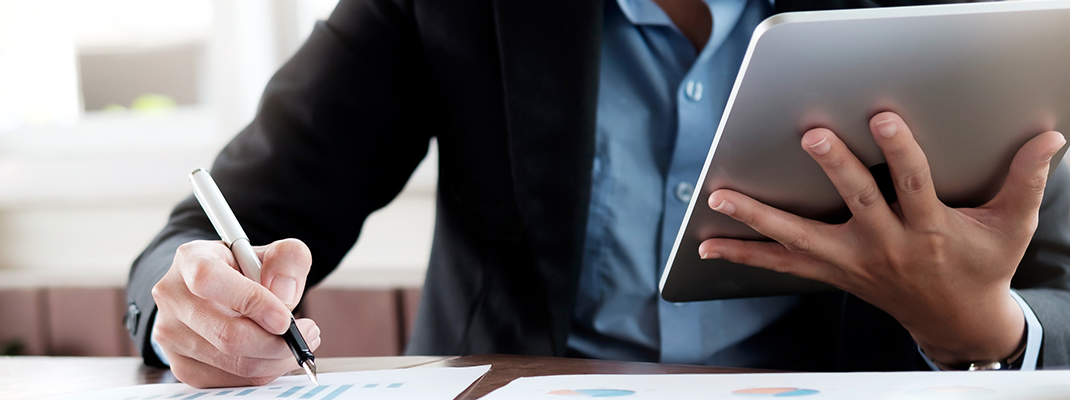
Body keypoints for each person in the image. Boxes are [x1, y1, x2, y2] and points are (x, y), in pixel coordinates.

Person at [123, 0, 1070, 388]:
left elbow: (1057, 291)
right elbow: (219, 224)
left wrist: (982, 330)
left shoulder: (958, 10)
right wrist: (193, 307)